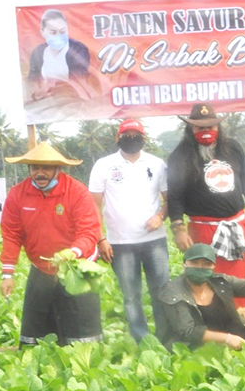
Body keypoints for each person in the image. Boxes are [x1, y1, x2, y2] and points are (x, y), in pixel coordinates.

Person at [0, 142, 103, 346]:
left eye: (46, 167)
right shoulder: (17, 194)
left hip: (77, 265)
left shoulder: (77, 192)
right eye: (34, 167)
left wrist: (72, 253)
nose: (40, 173)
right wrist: (7, 274)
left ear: (58, 169)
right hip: (42, 266)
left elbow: (88, 231)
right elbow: (11, 234)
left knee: (82, 329)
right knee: (36, 331)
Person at [167, 103, 245, 308]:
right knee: (210, 276)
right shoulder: (180, 156)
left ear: (218, 127)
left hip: (237, 225)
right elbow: (175, 195)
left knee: (243, 275)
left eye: (210, 127)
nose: (206, 131)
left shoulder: (233, 148)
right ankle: (217, 318)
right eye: (200, 128)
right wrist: (178, 229)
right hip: (204, 229)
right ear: (191, 128)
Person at [89, 118, 169, 343]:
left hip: (154, 240)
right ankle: (140, 338)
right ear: (118, 138)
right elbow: (93, 204)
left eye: (136, 136)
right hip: (120, 242)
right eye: (126, 135)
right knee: (131, 295)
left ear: (144, 138)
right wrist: (101, 238)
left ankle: (165, 336)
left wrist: (160, 216)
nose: (131, 139)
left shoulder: (157, 164)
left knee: (162, 291)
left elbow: (169, 199)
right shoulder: (104, 165)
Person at [157, 243, 245, 352]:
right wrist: (227, 339)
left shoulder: (220, 282)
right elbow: (187, 332)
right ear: (184, 264)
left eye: (206, 264)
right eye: (194, 263)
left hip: (233, 333)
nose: (200, 267)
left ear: (213, 267)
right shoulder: (173, 292)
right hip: (195, 344)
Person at [28, 9, 89, 90]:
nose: (59, 36)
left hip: (71, 95)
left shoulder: (78, 50)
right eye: (53, 32)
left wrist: (56, 85)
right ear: (42, 32)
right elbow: (32, 80)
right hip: (44, 95)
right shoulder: (38, 52)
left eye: (63, 31)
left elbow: (80, 79)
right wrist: (40, 88)